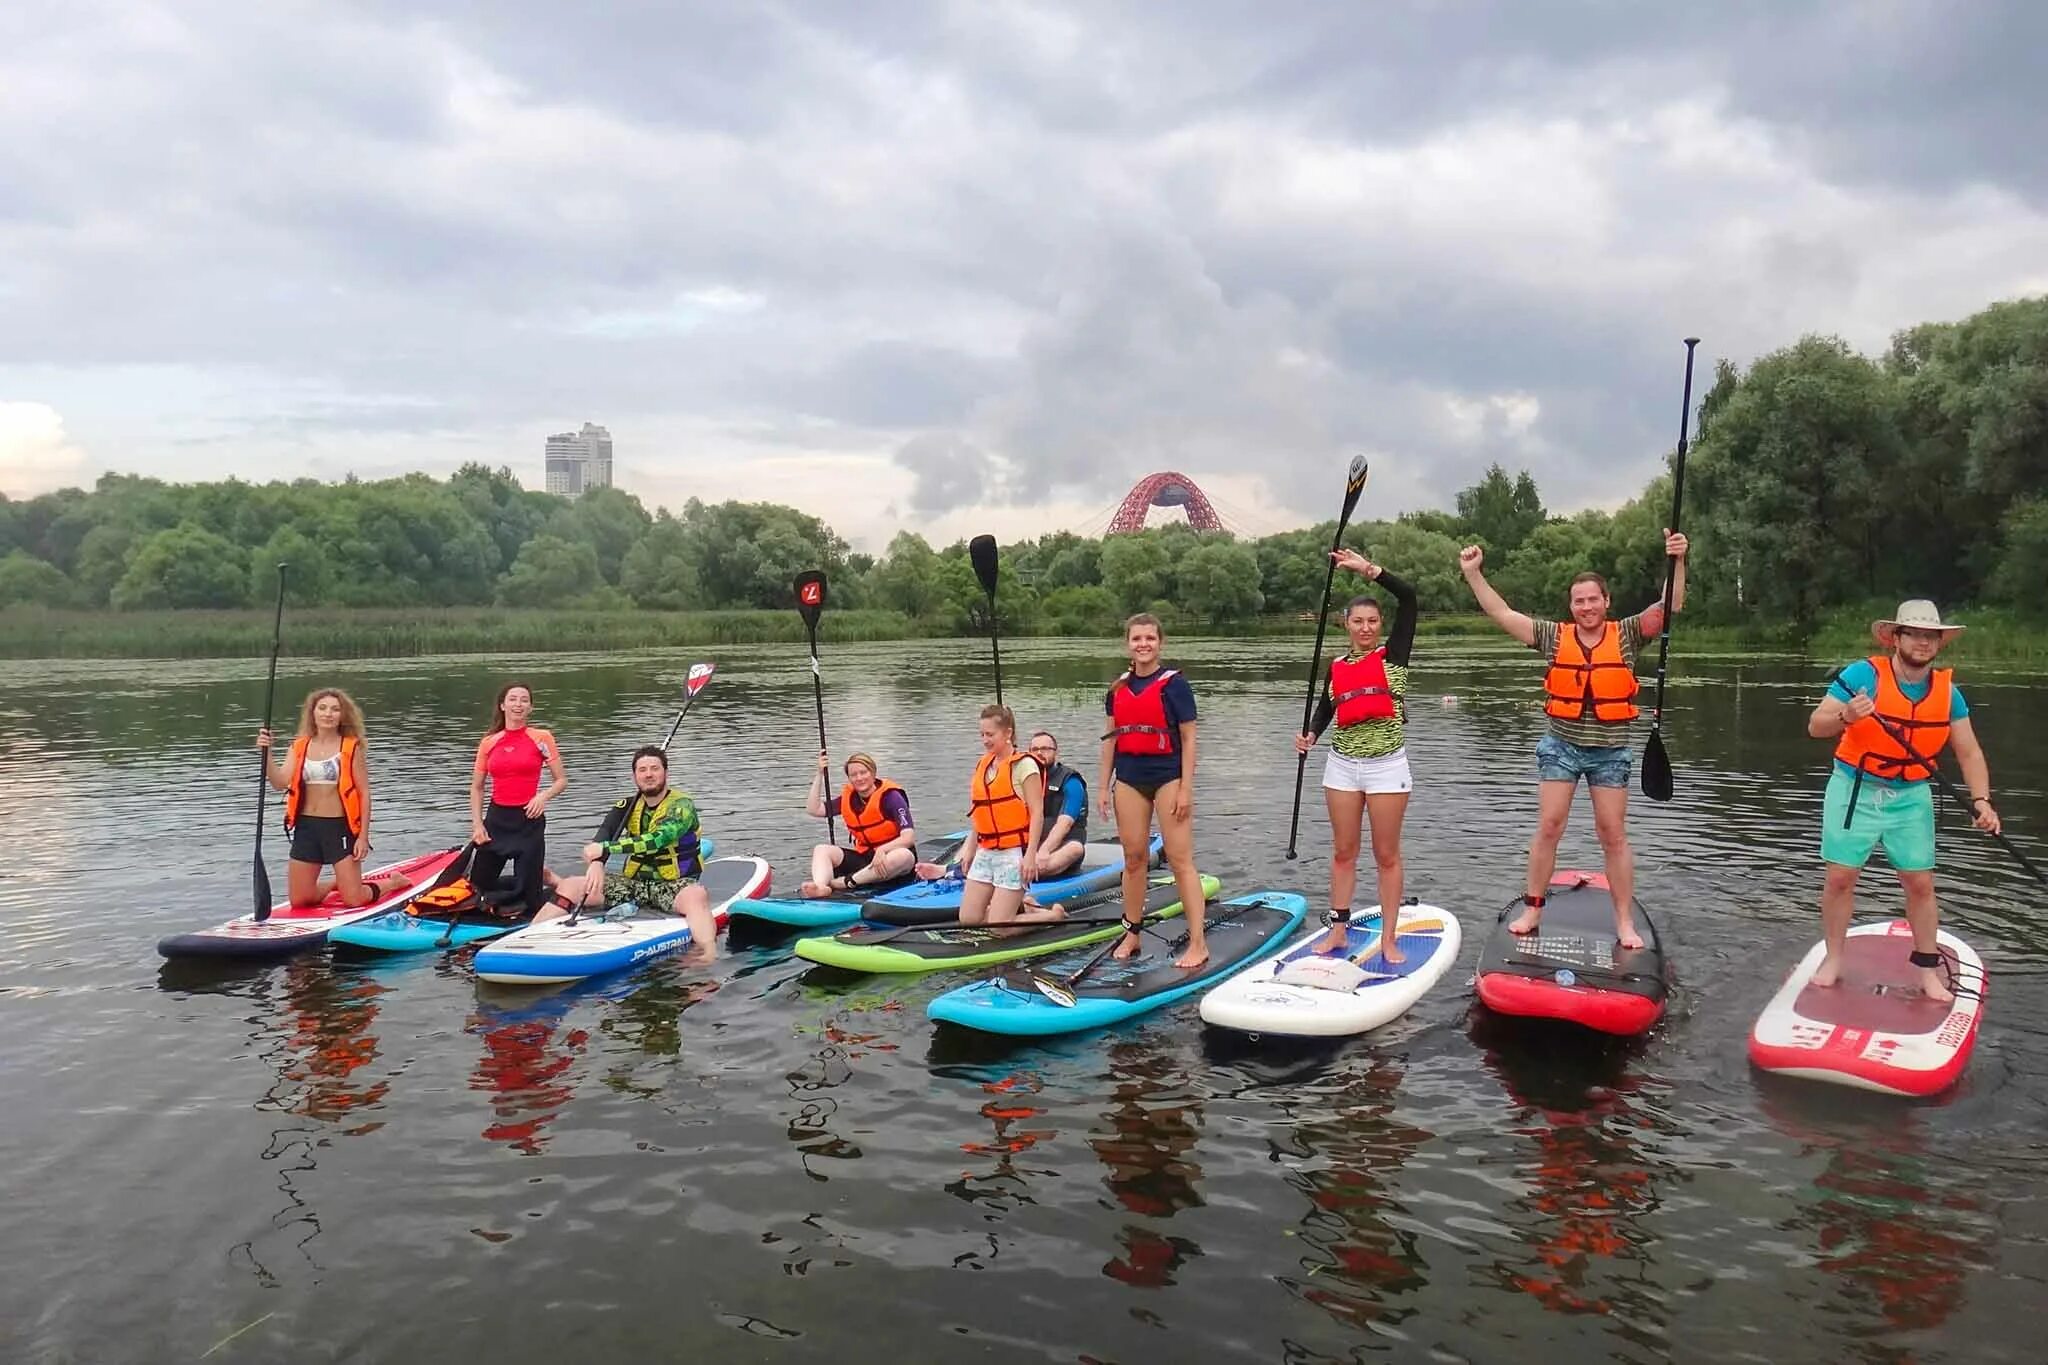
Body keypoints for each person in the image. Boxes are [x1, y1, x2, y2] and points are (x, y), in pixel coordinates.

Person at [1460, 529, 1689, 949]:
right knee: (1549, 827)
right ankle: (1533, 909)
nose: (1586, 606)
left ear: (1606, 602)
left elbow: (1670, 605)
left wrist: (1677, 560)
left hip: (1610, 750)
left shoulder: (1628, 633)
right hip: (1560, 746)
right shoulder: (1553, 636)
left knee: (1612, 834)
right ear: (1572, 606)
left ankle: (1623, 921)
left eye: (1593, 599)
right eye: (1579, 600)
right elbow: (1504, 614)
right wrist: (1474, 575)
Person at [1804, 601, 1999, 1004]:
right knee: (1841, 877)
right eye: (1914, 634)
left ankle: (1927, 972)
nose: (1923, 642)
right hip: (1855, 788)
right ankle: (1835, 958)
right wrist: (1847, 715)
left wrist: (1982, 800)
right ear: (1896, 638)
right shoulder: (1862, 675)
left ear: (1939, 643)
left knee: (1920, 882)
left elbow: (1969, 753)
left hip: (1911, 795)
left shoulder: (1949, 694)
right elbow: (1816, 726)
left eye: (1931, 636)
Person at [1294, 548, 1420, 958]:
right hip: (1342, 768)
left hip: (1387, 768)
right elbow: (1328, 707)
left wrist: (1370, 571)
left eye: (1372, 621)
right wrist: (1311, 734)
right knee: (1343, 852)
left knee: (1386, 855)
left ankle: (1388, 938)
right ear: (1345, 625)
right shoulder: (1336, 666)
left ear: (1380, 625)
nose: (1365, 628)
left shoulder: (1394, 656)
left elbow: (1410, 597)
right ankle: (1338, 930)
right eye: (1357, 621)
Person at [537, 745, 719, 962]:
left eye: (654, 768)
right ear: (635, 776)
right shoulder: (627, 805)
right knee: (571, 886)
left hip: (673, 884)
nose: (649, 774)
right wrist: (597, 863)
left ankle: (708, 953)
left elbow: (657, 840)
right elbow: (606, 831)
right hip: (633, 884)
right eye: (642, 770)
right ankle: (529, 934)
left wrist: (605, 849)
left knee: (696, 895)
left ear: (665, 773)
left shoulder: (682, 806)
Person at [1100, 613, 1207, 967]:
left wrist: (1186, 789)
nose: (1143, 644)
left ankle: (1198, 943)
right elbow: (1111, 740)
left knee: (1179, 858)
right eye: (1136, 639)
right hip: (1129, 777)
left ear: (1160, 642)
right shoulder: (1117, 689)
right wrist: (1103, 787)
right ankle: (1132, 933)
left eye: (1149, 638)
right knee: (1133, 859)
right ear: (1127, 643)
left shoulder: (1174, 685)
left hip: (1168, 777)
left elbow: (1189, 738)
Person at [257, 688, 397, 908]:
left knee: (354, 899)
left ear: (342, 715)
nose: (328, 714)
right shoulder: (299, 746)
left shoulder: (350, 747)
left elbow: (364, 793)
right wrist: (267, 753)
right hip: (307, 828)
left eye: (335, 709)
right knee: (300, 900)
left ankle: (391, 883)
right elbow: (279, 782)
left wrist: (362, 837)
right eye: (322, 708)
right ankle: (336, 883)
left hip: (339, 828)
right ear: (313, 713)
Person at [929, 704, 1048, 927]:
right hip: (987, 851)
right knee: (969, 919)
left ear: (1008, 733)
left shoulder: (1024, 766)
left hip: (1013, 853)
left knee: (999, 927)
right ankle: (1025, 906)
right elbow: (981, 813)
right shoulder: (984, 765)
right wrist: (970, 850)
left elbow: (1037, 813)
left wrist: (1031, 854)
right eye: (982, 734)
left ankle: (1052, 916)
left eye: (990, 734)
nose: (985, 740)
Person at [467, 682, 566, 916]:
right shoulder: (489, 742)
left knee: (530, 899)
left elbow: (561, 780)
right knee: (477, 887)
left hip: (528, 820)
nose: (518, 704)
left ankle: (541, 882)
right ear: (502, 705)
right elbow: (477, 787)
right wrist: (477, 825)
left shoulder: (541, 738)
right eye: (512, 699)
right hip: (496, 821)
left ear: (530, 707)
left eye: (524, 700)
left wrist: (543, 797)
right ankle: (539, 878)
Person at [800, 751, 918, 896]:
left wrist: (882, 850)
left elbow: (909, 837)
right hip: (866, 861)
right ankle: (820, 887)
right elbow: (814, 809)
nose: (859, 778)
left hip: (893, 863)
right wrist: (819, 774)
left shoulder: (891, 797)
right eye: (853, 775)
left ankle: (848, 882)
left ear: (873, 773)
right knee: (822, 849)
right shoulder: (849, 799)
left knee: (903, 855)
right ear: (849, 778)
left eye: (863, 772)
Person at [1026, 730, 1090, 878]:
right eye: (1035, 750)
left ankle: (1019, 876)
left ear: (1056, 752)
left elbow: (1065, 824)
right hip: (1032, 843)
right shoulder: (1027, 779)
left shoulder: (1071, 781)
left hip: (1064, 844)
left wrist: (1044, 850)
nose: (1040, 753)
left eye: (1045, 749)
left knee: (1075, 849)